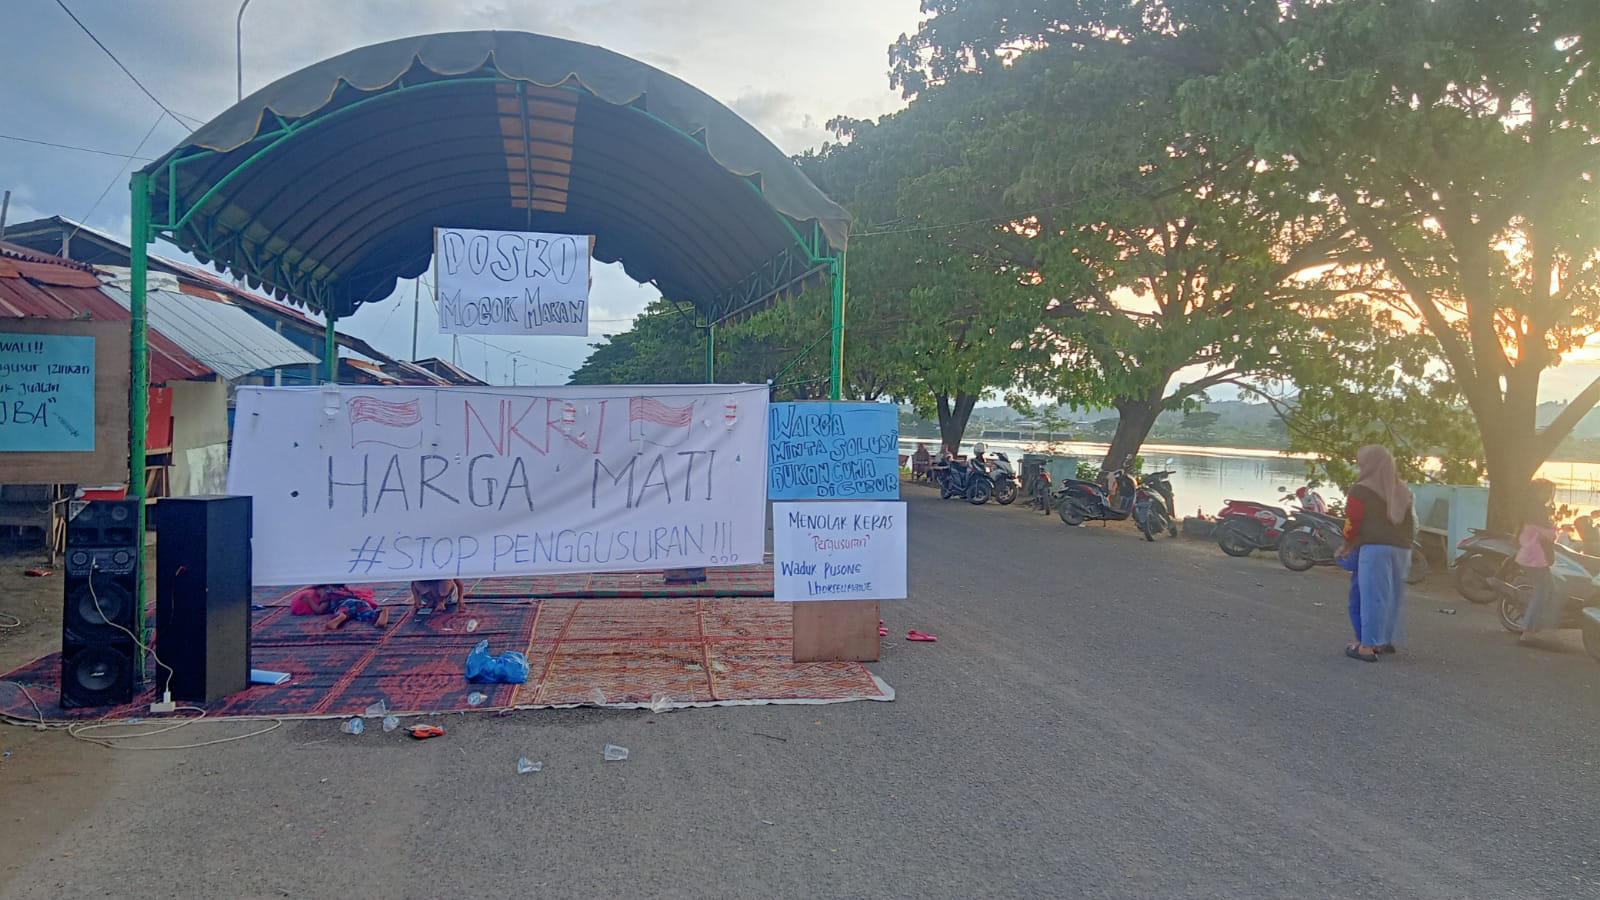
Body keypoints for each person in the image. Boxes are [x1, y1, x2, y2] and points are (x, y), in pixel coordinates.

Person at [1339, 445, 1416, 662]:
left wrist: (1346, 544)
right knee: (1392, 596)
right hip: (1403, 549)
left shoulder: (1361, 489)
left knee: (1372, 596)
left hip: (1375, 548)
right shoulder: (1402, 489)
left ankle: (1367, 646)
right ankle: (1384, 640)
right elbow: (1412, 522)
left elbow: (1353, 522)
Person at [1516, 480, 1560, 645]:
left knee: (1547, 590)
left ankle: (1536, 627)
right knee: (1544, 591)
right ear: (1538, 492)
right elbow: (1549, 535)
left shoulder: (1528, 507)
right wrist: (1553, 530)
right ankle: (1528, 630)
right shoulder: (1538, 510)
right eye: (1546, 491)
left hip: (1529, 555)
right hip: (1536, 557)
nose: (1548, 495)